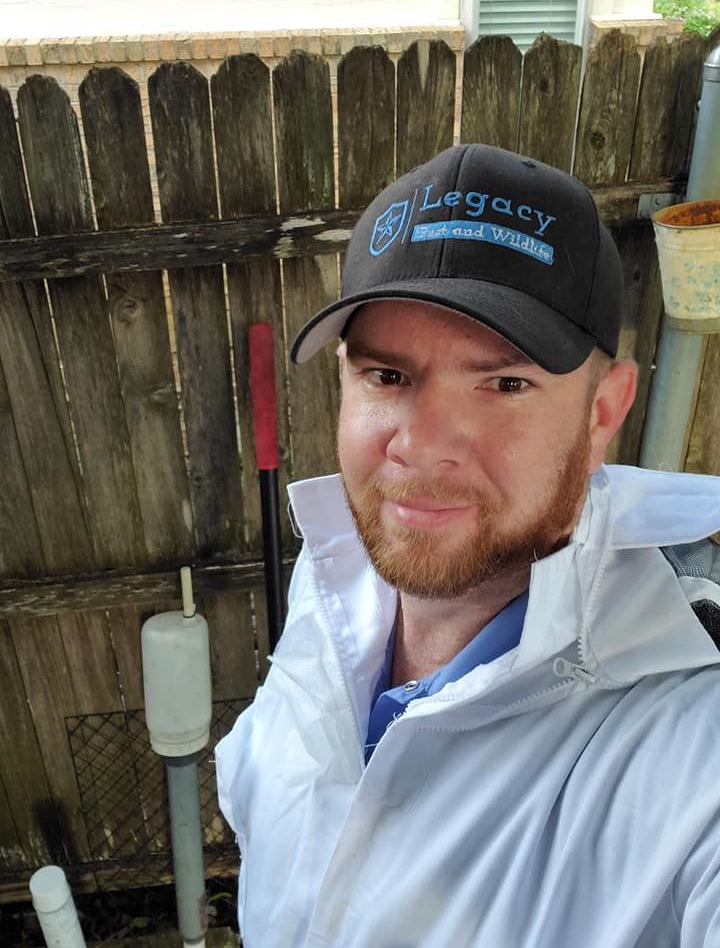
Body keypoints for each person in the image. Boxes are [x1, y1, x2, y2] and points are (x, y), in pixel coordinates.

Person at [215, 144, 720, 948]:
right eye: (388, 377)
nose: (421, 447)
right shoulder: (339, 568)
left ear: (602, 413)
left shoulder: (688, 738)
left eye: (504, 384)